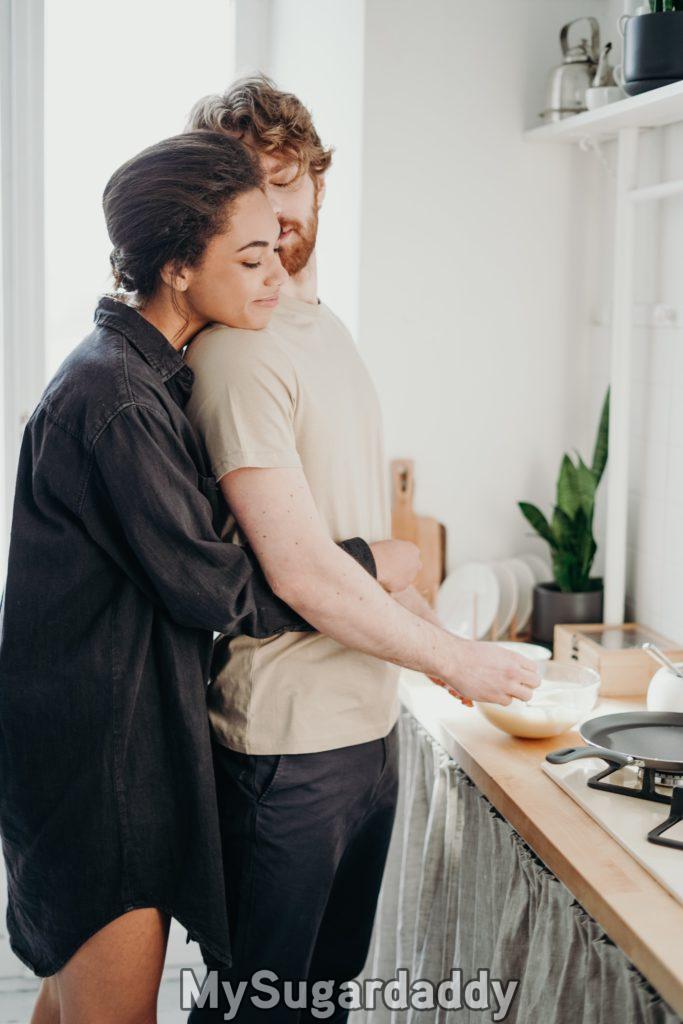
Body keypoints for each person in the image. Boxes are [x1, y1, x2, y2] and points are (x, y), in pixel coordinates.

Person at [0, 130, 414, 1024]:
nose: (276, 275)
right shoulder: (113, 398)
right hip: (98, 767)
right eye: (252, 256)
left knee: (67, 1003)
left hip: (103, 745)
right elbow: (216, 587)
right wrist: (371, 566)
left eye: (279, 251)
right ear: (180, 269)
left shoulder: (142, 377)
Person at [184, 78, 540, 1022]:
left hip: (363, 727)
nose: (282, 210)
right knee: (261, 1009)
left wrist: (427, 638)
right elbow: (297, 571)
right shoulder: (237, 351)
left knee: (323, 1002)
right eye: (253, 188)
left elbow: (339, 522)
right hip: (284, 747)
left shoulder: (314, 324)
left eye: (292, 183)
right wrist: (452, 657)